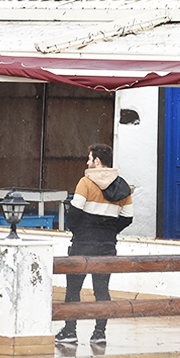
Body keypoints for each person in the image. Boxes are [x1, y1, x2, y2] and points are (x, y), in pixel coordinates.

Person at [56, 143, 133, 345]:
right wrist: (108, 231)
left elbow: (74, 212)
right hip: (107, 247)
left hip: (82, 244)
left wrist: (80, 231)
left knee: (73, 289)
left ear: (97, 161)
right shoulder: (123, 187)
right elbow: (128, 218)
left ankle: (70, 331)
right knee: (102, 290)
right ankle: (99, 333)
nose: (87, 162)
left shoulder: (85, 182)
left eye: (89, 159)